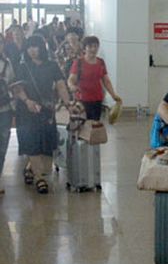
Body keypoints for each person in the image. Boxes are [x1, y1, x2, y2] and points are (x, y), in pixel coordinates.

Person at [11, 35, 73, 194]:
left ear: (42, 48)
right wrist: (27, 101)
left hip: (46, 111)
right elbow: (18, 88)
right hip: (27, 111)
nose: (32, 50)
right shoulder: (23, 66)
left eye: (36, 46)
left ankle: (31, 168)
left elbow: (61, 86)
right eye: (29, 47)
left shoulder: (52, 65)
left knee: (47, 145)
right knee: (32, 143)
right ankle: (39, 178)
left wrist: (68, 104)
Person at [68, 36, 121, 121]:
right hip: (82, 100)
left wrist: (113, 95)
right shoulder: (79, 62)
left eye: (95, 46)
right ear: (84, 48)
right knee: (83, 127)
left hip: (97, 99)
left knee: (95, 125)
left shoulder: (101, 62)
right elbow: (71, 80)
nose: (93, 49)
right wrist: (72, 86)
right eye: (90, 46)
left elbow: (106, 81)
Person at [0, 40, 14, 195]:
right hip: (5, 109)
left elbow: (12, 84)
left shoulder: (7, 64)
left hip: (4, 110)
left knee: (2, 146)